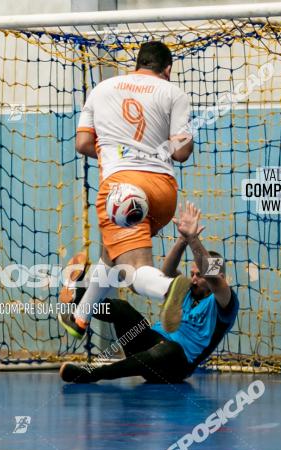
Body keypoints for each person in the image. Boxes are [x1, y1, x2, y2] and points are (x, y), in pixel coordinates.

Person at [59, 40, 195, 340]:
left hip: (122, 190)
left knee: (133, 271)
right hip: (163, 193)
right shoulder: (175, 93)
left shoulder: (103, 88)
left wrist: (115, 153)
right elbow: (182, 152)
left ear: (138, 63)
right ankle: (79, 318)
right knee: (111, 253)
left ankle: (167, 287)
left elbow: (82, 144)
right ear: (167, 69)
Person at [59, 202, 238, 384]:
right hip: (148, 344)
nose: (193, 279)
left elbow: (213, 277)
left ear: (220, 277)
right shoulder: (186, 288)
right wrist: (183, 240)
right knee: (122, 308)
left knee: (169, 349)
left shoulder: (224, 303)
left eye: (199, 275)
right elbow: (167, 272)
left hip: (175, 364)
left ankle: (91, 374)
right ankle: (76, 296)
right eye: (191, 273)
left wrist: (194, 239)